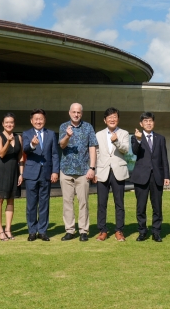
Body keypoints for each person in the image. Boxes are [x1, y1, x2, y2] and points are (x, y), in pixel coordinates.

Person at [58, 103, 97, 242]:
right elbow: (62, 145)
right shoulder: (64, 127)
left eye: (78, 112)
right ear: (69, 113)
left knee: (83, 202)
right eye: (74, 112)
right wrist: (67, 136)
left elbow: (92, 147)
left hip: (83, 172)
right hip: (66, 170)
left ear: (82, 113)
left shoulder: (88, 127)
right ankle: (69, 230)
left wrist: (92, 168)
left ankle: (83, 231)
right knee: (67, 202)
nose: (76, 114)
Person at [22, 109, 60, 241]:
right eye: (36, 119)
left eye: (41, 119)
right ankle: (32, 231)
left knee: (44, 203)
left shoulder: (51, 134)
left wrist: (55, 171)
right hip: (31, 173)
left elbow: (55, 154)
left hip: (46, 173)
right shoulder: (26, 134)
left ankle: (42, 231)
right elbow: (25, 149)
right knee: (31, 204)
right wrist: (32, 144)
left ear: (45, 120)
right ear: (31, 121)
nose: (38, 121)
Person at [131, 112, 170, 242]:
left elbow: (164, 158)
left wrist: (166, 175)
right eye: (145, 121)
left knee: (157, 206)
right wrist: (138, 139)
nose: (148, 123)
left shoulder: (160, 138)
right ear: (141, 124)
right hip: (141, 177)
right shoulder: (136, 137)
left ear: (154, 122)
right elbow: (135, 151)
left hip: (157, 176)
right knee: (141, 207)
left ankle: (156, 232)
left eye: (150, 121)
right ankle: (142, 231)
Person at [95, 107, 130, 242]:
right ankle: (102, 230)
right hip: (102, 171)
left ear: (118, 119)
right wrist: (95, 171)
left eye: (114, 117)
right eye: (109, 117)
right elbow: (96, 153)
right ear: (105, 120)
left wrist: (116, 141)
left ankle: (119, 230)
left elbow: (126, 150)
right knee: (101, 203)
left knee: (119, 203)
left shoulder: (124, 133)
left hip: (118, 171)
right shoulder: (98, 135)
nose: (112, 119)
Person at [0, 113, 24, 241]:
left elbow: (20, 156)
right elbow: (1, 153)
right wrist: (8, 141)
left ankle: (8, 229)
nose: (9, 124)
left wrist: (21, 173)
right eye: (6, 122)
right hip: (1, 170)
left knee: (11, 199)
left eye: (11, 122)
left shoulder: (19, 137)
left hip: (14, 170)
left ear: (14, 124)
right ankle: (0, 229)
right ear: (3, 124)